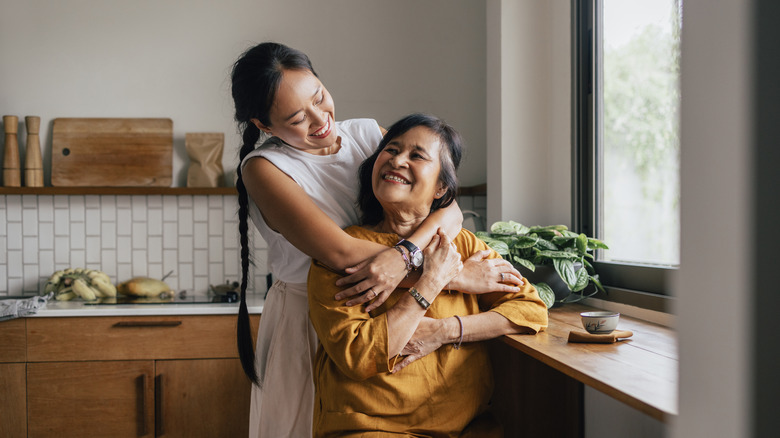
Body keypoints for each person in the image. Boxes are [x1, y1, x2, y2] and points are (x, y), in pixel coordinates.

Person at [231, 43, 525, 437]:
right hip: (315, 319)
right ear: (264, 125)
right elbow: (340, 252)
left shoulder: (369, 134)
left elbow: (449, 208)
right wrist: (451, 277)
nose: (321, 119)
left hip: (389, 310)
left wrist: (405, 256)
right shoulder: (265, 169)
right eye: (298, 118)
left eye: (320, 97)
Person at [307, 113, 549, 437]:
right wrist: (431, 281)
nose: (397, 161)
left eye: (416, 155)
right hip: (370, 429)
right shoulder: (342, 254)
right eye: (391, 150)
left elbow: (530, 310)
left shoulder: (462, 244)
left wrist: (446, 331)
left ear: (441, 188)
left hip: (468, 428)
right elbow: (358, 354)